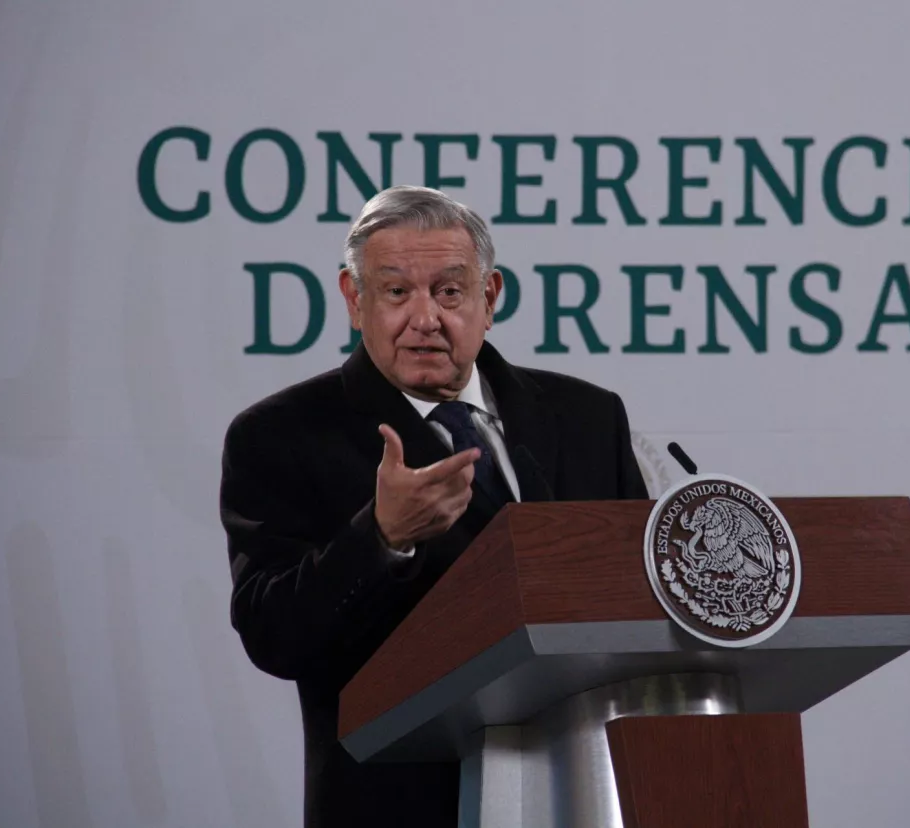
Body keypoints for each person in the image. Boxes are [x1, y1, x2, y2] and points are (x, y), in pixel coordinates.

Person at [219, 185, 648, 828]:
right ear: (353, 299)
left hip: (588, 791)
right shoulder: (281, 434)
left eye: (450, 292)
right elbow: (272, 634)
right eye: (396, 292)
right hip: (401, 804)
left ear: (490, 298)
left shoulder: (587, 416)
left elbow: (636, 606)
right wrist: (381, 538)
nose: (425, 318)